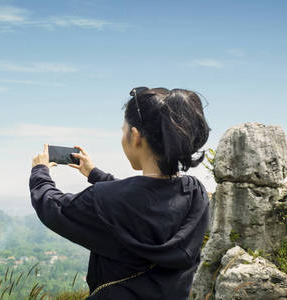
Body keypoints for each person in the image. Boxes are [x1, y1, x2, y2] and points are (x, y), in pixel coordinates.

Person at [29, 87, 211, 299]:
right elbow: (142, 199)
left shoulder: (104, 199)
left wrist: (39, 171)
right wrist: (94, 174)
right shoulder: (196, 193)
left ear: (135, 136)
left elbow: (52, 208)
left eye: (123, 130)